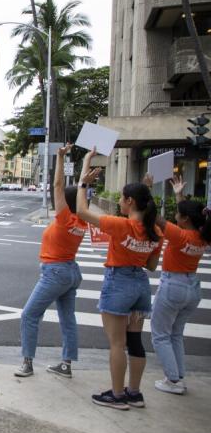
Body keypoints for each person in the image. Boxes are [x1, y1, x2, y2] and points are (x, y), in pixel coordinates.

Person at [76, 148, 162, 410]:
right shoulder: (155, 231)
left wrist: (83, 182)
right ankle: (134, 392)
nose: (121, 203)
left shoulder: (121, 225)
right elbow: (151, 266)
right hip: (140, 285)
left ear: (130, 202)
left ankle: (116, 394)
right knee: (135, 341)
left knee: (116, 343)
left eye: (124, 199)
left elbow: (81, 211)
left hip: (119, 282)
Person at [14, 144, 87, 378]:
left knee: (29, 315)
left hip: (55, 272)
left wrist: (60, 156)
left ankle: (27, 362)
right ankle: (66, 364)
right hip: (71, 272)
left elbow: (57, 185)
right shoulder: (81, 221)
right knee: (68, 319)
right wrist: (86, 178)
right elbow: (76, 193)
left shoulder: (65, 219)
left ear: (65, 202)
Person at [149, 175, 208, 394]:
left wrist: (145, 190)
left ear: (183, 219)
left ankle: (172, 380)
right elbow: (186, 216)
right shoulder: (202, 235)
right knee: (175, 333)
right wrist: (179, 195)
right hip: (192, 287)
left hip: (173, 285)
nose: (175, 216)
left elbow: (155, 218)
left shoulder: (180, 236)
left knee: (160, 334)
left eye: (178, 213)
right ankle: (178, 375)